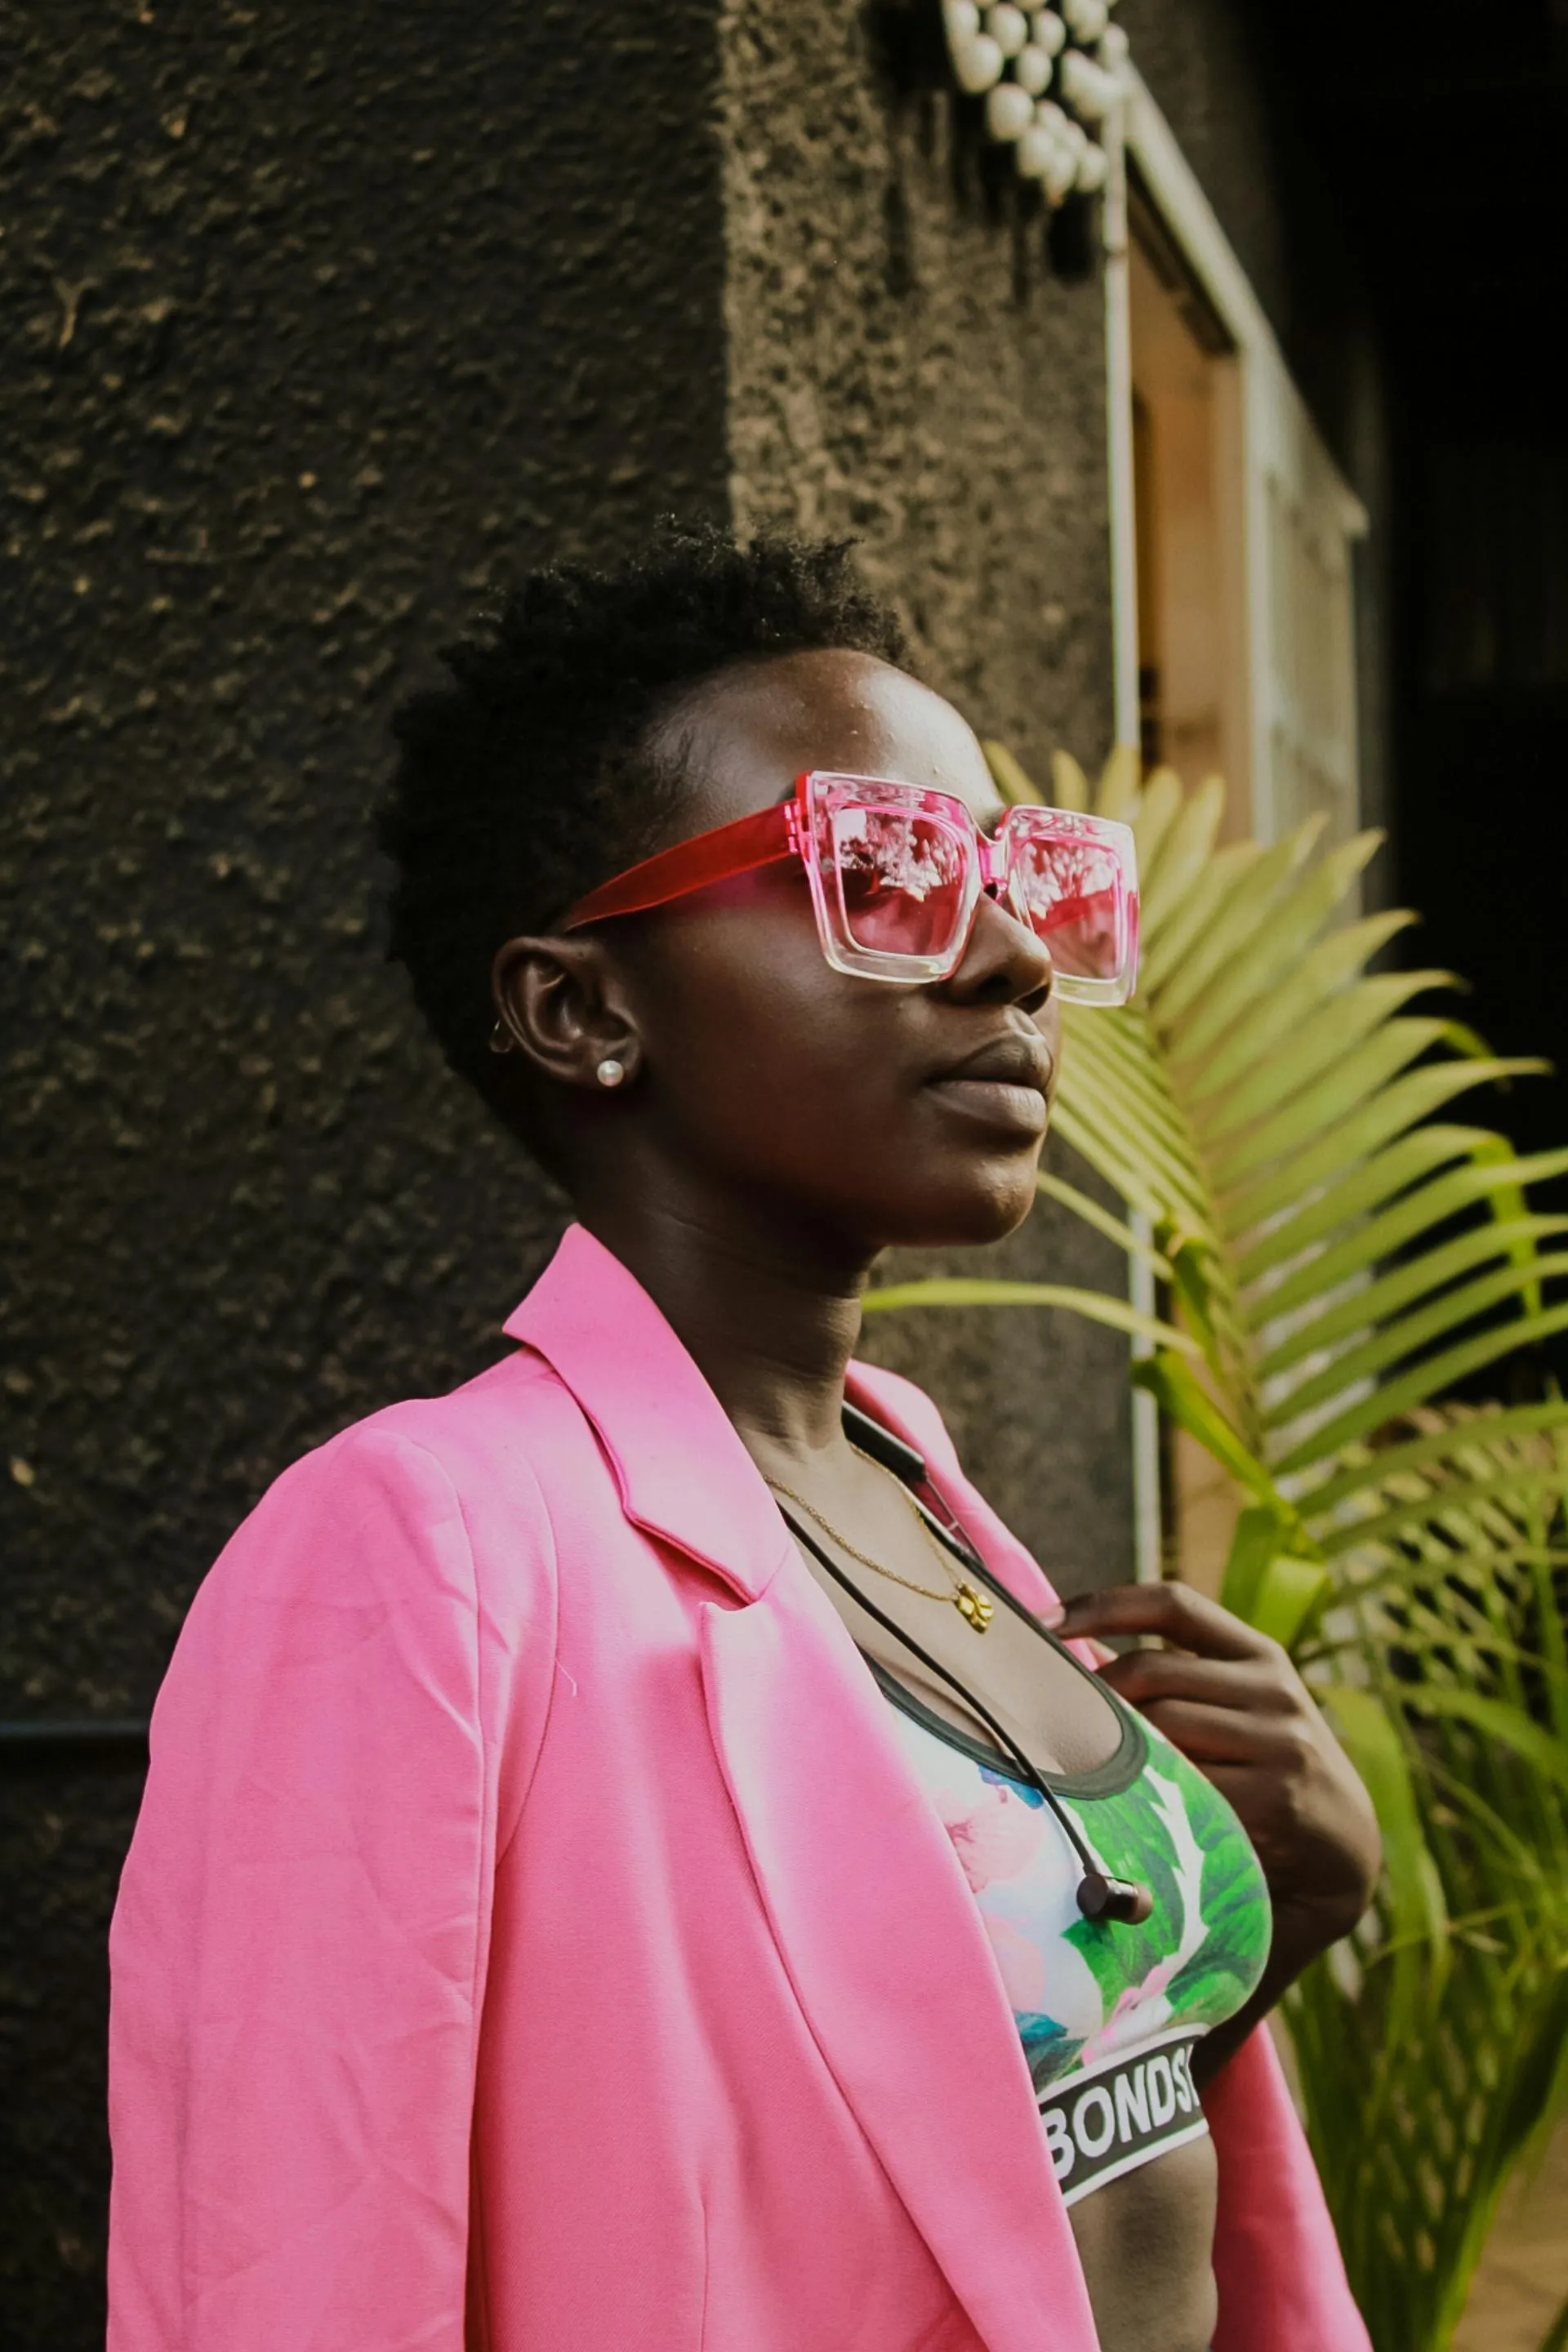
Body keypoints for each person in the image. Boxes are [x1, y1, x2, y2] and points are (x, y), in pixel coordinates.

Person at [107, 527, 1380, 2352]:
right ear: (581, 1007)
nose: (1015, 958)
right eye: (882, 873)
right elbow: (293, 2288)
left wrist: (1289, 1914)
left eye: (1016, 880)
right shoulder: (427, 1549)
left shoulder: (909, 1481)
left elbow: (997, 2166)